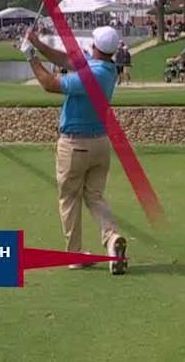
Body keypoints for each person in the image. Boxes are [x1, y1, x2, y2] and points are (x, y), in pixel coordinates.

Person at [23, 24, 129, 275]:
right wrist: (36, 43)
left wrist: (30, 57)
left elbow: (49, 84)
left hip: (75, 145)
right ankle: (112, 239)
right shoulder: (107, 69)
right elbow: (65, 59)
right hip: (100, 144)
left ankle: (75, 255)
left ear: (95, 47)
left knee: (69, 199)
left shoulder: (90, 75)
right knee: (94, 196)